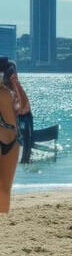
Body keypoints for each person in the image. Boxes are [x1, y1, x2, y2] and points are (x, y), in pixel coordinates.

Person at [0, 60, 20, 212]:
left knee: (4, 189)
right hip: (11, 139)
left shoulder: (6, 93)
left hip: (9, 139)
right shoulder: (7, 93)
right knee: (5, 189)